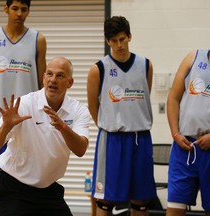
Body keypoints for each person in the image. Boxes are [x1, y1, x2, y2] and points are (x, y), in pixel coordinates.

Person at [0, 57, 90, 215]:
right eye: (49, 74)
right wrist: (6, 127)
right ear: (43, 78)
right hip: (13, 186)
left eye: (60, 75)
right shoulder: (25, 104)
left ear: (70, 82)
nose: (53, 80)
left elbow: (81, 149)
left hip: (47, 190)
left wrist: (63, 127)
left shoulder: (78, 110)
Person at [87, 16, 156, 216]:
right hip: (112, 139)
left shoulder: (145, 65)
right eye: (114, 40)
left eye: (122, 39)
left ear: (129, 37)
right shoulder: (98, 69)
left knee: (140, 201)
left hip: (140, 138)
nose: (119, 45)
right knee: (105, 200)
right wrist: (110, 124)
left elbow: (143, 97)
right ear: (107, 40)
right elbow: (94, 107)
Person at [0, 0, 47, 176]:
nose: (19, 14)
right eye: (15, 8)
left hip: (25, 121)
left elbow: (42, 87)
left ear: (28, 11)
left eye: (24, 9)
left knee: (24, 177)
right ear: (6, 9)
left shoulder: (38, 40)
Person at [166, 49, 210, 216]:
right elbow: (173, 98)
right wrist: (175, 134)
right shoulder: (193, 57)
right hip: (185, 148)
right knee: (174, 209)